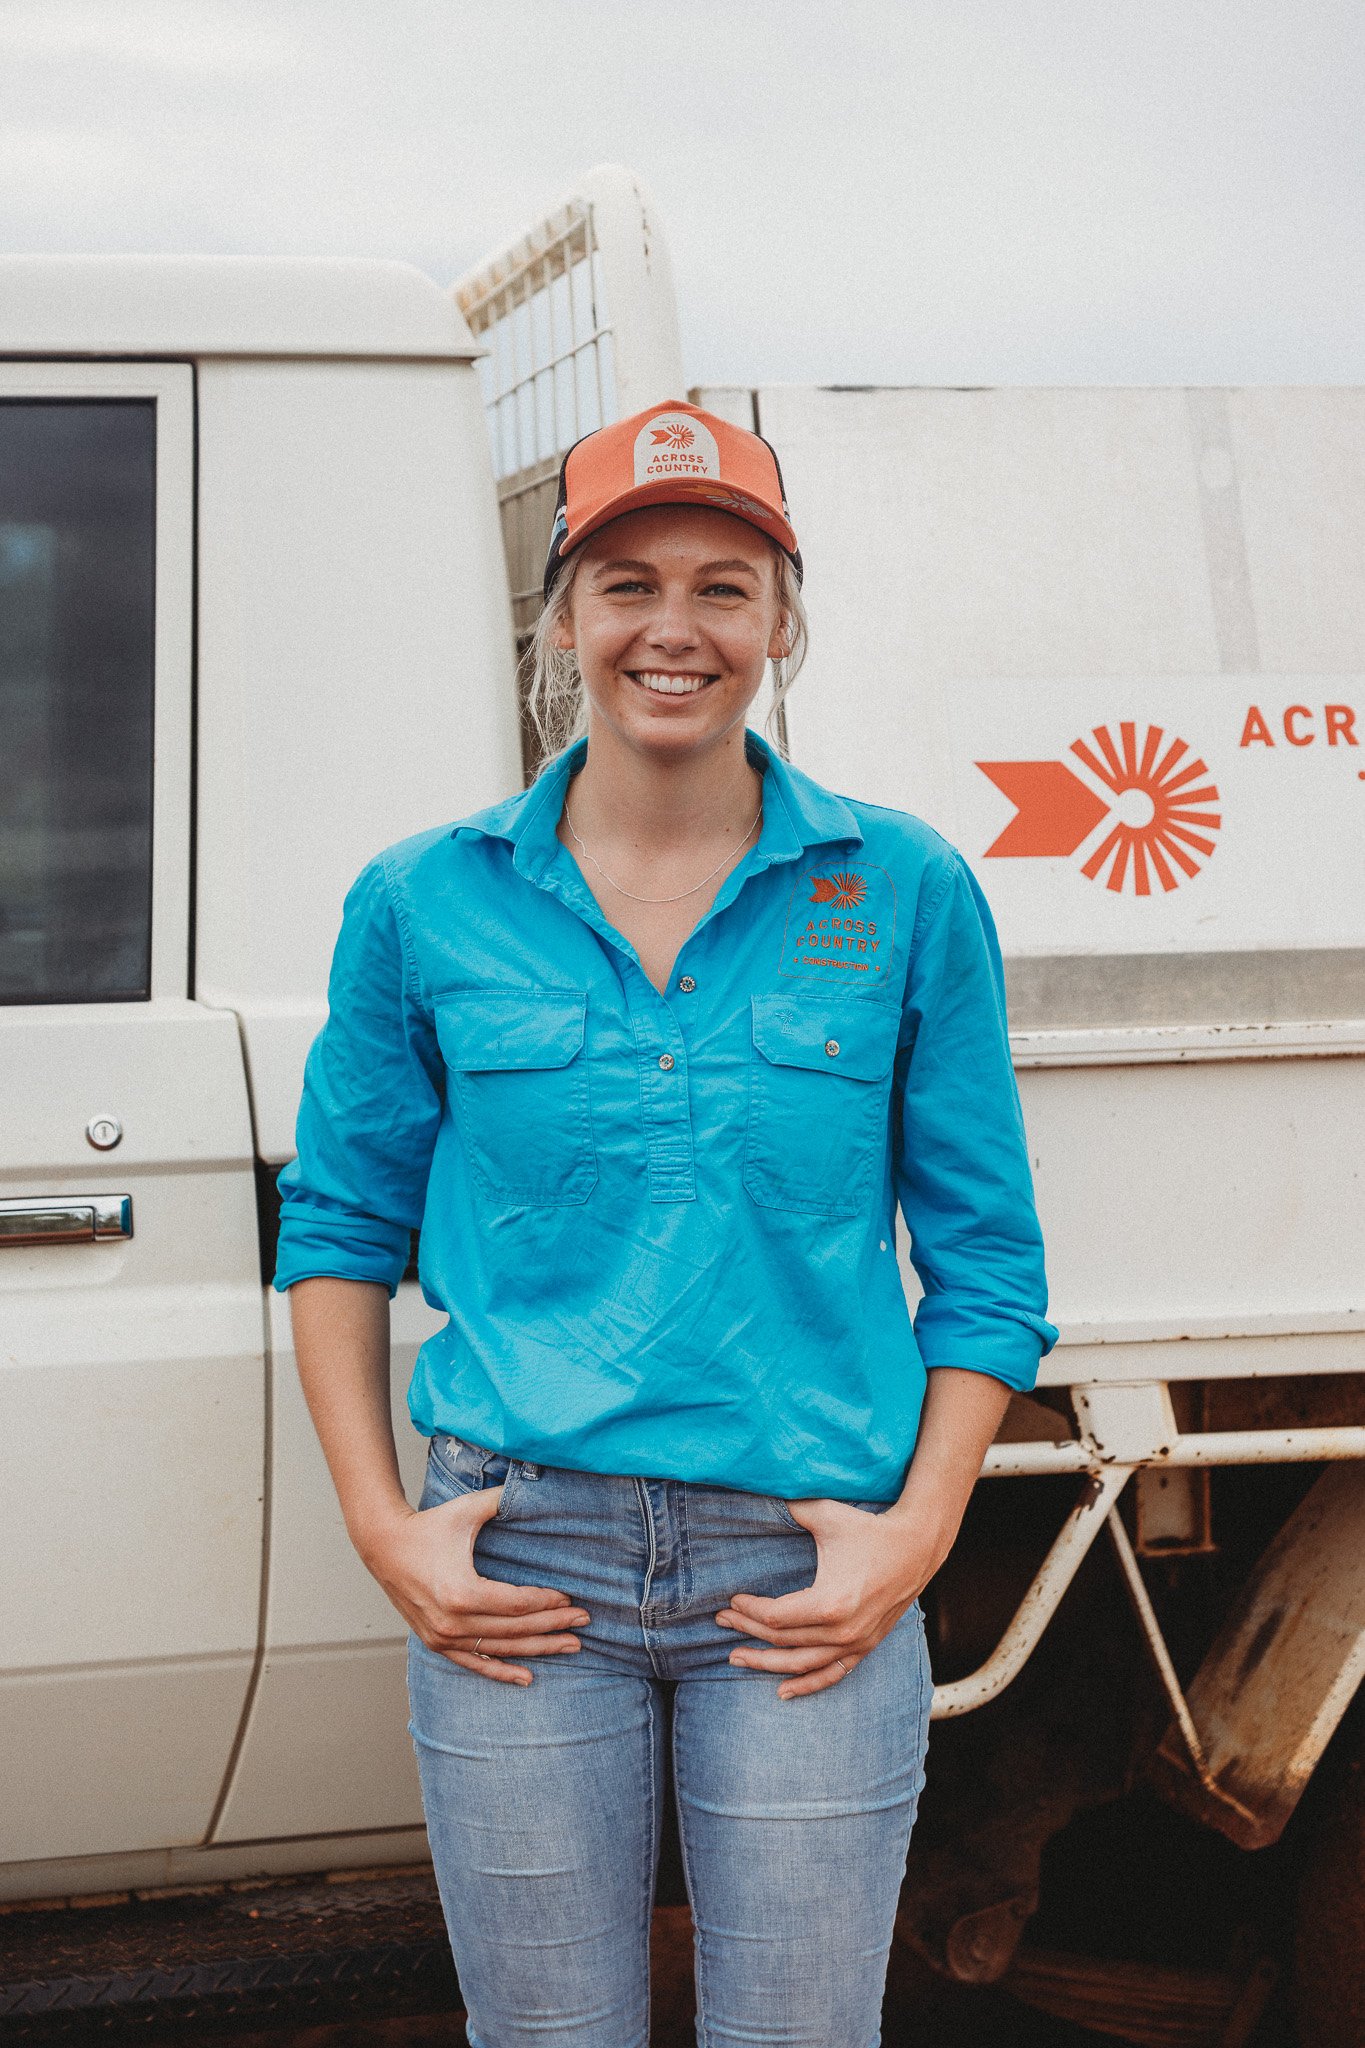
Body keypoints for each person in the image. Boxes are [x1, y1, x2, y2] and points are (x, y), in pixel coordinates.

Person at [273, 398, 1058, 2048]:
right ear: (561, 620)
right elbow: (339, 1228)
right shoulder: (425, 898)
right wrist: (379, 1525)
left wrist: (913, 1535)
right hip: (518, 1561)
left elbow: (985, 1262)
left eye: (723, 584)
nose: (673, 629)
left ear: (781, 620)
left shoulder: (902, 886)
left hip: (802, 1563)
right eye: (626, 583)